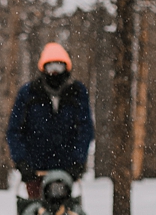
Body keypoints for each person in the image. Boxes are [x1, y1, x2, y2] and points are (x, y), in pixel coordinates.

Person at [6, 43, 94, 197]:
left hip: (66, 169)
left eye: (59, 67)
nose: (54, 72)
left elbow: (85, 129)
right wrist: (21, 161)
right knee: (35, 211)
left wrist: (78, 161)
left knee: (63, 213)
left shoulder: (77, 93)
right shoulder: (28, 93)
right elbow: (14, 130)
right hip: (35, 169)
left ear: (66, 68)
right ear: (43, 68)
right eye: (50, 67)